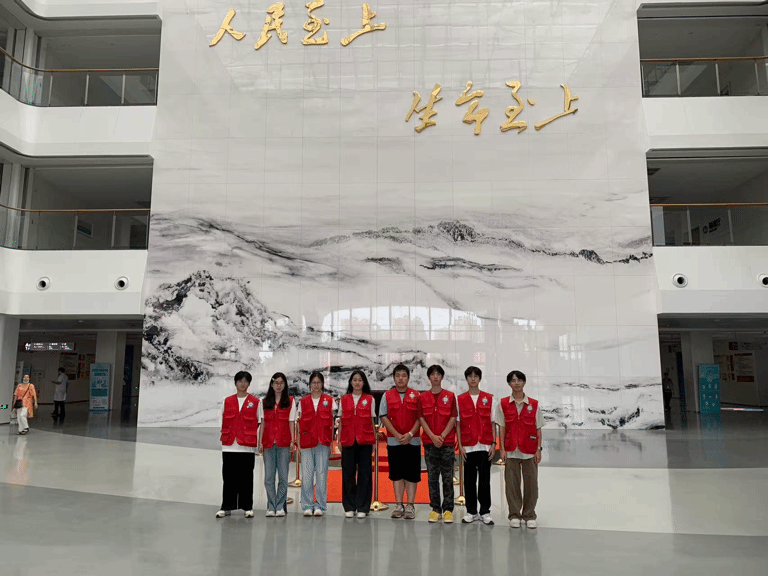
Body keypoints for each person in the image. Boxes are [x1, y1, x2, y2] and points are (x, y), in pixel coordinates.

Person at [497, 370, 543, 529]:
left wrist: (538, 449)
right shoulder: (503, 404)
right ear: (509, 383)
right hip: (511, 449)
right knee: (512, 484)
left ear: (524, 382)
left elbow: (538, 429)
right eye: (513, 380)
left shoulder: (534, 404)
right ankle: (514, 514)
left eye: (519, 380)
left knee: (531, 484)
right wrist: (502, 449)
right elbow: (502, 428)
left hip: (529, 450)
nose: (516, 383)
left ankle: (529, 515)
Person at [379, 364, 421, 520]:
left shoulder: (416, 395)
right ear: (393, 378)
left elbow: (420, 417)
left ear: (408, 378)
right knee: (396, 473)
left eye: (403, 375)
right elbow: (383, 416)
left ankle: (410, 505)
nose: (400, 378)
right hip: (394, 441)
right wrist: (396, 435)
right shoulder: (387, 395)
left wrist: (410, 434)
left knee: (411, 474)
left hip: (413, 440)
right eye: (397, 376)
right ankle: (398, 504)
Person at [456, 366, 496, 525]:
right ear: (466, 379)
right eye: (470, 376)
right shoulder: (460, 399)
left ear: (480, 379)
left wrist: (494, 443)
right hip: (468, 446)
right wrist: (460, 445)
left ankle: (485, 511)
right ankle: (471, 511)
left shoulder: (489, 398)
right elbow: (458, 424)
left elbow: (493, 423)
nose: (473, 379)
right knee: (469, 481)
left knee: (485, 481)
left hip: (485, 446)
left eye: (476, 376)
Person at [418, 364, 458, 524]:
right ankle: (435, 509)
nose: (435, 377)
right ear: (429, 377)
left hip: (446, 443)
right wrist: (433, 437)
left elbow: (453, 417)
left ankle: (448, 509)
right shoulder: (423, 397)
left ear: (442, 377)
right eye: (432, 374)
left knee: (448, 478)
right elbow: (421, 418)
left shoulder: (450, 396)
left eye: (438, 374)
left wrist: (442, 436)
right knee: (432, 478)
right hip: (430, 443)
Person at [217, 370, 259, 519]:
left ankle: (247, 507)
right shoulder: (227, 401)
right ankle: (226, 507)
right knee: (228, 478)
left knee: (246, 478)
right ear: (235, 383)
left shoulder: (255, 402)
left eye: (246, 381)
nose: (243, 384)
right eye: (240, 381)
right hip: (229, 446)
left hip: (247, 447)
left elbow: (259, 422)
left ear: (249, 384)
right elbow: (222, 420)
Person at [297, 371, 336, 517]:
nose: (316, 385)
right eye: (313, 383)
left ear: (322, 384)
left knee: (321, 474)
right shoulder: (303, 402)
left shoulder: (329, 400)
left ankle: (320, 505)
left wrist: (331, 442)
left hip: (323, 441)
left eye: (319, 382)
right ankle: (307, 505)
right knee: (307, 475)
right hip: (307, 442)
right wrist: (298, 442)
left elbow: (332, 424)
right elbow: (299, 424)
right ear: (309, 384)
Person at [338, 370, 376, 519]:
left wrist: (374, 440)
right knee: (348, 473)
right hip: (348, 440)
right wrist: (339, 440)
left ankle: (363, 506)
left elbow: (372, 421)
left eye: (360, 380)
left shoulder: (370, 399)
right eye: (354, 380)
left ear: (364, 382)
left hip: (365, 440)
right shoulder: (344, 399)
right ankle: (349, 506)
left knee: (365, 474)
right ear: (351, 382)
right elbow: (341, 422)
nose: (357, 382)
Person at [258, 372, 296, 518]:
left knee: (283, 477)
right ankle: (271, 505)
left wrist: (292, 440)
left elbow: (291, 422)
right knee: (269, 477)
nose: (279, 386)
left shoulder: (290, 401)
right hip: (268, 443)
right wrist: (260, 442)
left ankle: (280, 506)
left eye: (281, 383)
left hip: (283, 443)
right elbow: (262, 423)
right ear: (271, 384)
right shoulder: (264, 402)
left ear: (285, 385)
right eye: (276, 383)